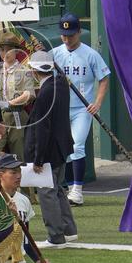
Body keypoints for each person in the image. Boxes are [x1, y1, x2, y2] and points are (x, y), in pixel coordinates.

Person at [51, 13, 110, 206]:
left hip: (82, 109)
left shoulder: (90, 54)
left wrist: (98, 103)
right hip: (60, 108)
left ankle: (77, 190)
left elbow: (104, 78)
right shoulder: (56, 53)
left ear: (78, 32)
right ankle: (69, 189)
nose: (67, 39)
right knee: (65, 148)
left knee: (77, 146)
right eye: (64, 35)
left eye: (71, 34)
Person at [24, 51, 78, 246]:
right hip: (61, 147)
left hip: (49, 151)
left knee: (47, 192)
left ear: (34, 71)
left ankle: (56, 236)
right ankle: (69, 230)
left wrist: (38, 159)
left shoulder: (47, 92)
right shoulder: (61, 84)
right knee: (58, 191)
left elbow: (42, 128)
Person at [0, 32, 37, 165]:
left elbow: (28, 94)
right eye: (2, 49)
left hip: (17, 115)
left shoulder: (24, 70)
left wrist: (9, 103)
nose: (5, 53)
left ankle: (20, 185)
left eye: (9, 49)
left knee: (19, 154)